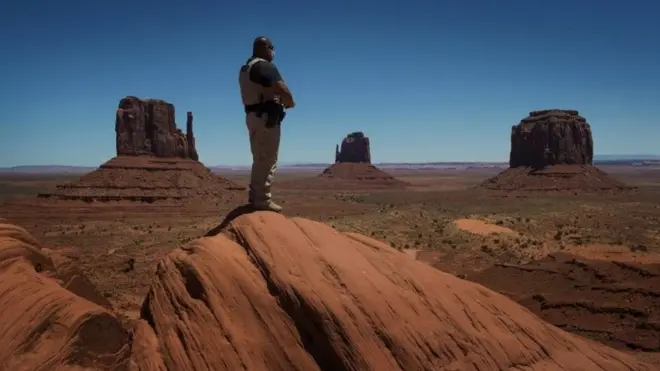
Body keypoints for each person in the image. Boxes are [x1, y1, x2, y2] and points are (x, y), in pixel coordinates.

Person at [238, 36, 295, 212]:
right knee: (268, 159)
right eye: (272, 48)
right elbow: (282, 88)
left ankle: (255, 196)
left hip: (252, 116)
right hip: (265, 118)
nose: (273, 52)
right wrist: (290, 102)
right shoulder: (264, 66)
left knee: (259, 158)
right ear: (265, 48)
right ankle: (262, 200)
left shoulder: (246, 68)